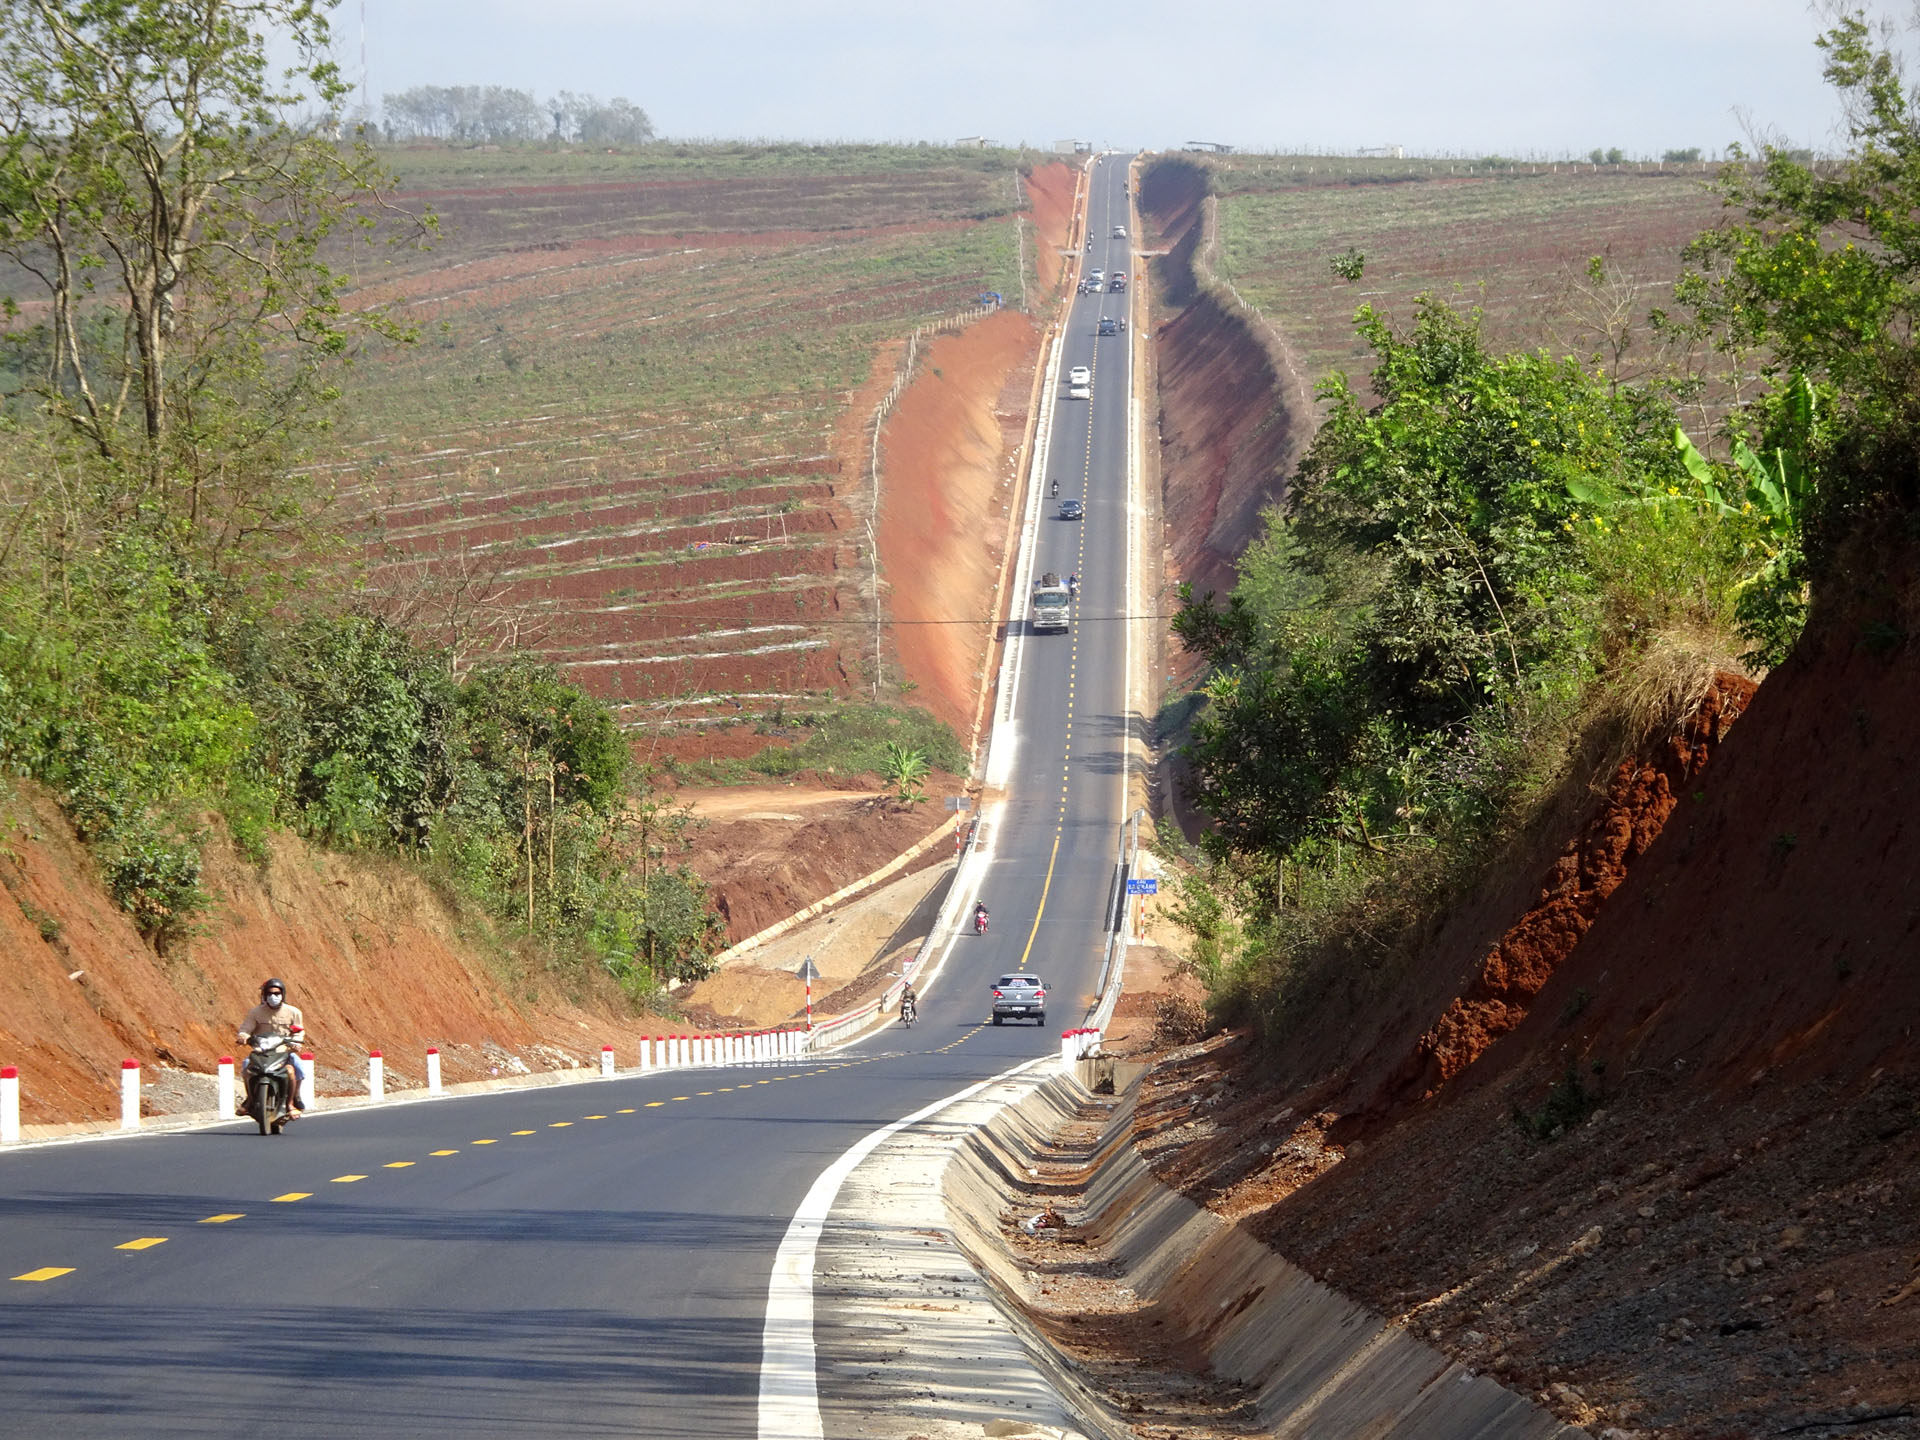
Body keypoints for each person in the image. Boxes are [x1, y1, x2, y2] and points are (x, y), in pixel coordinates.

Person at [236, 978, 307, 1115]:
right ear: (264, 995)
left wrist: (296, 1042)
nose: (273, 996)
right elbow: (246, 1029)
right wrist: (243, 1036)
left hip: (283, 1051)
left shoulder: (294, 1012)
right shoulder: (255, 1012)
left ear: (283, 994)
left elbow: (299, 1031)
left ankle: (293, 1100)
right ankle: (249, 1099)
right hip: (261, 1052)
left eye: (276, 993)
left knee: (296, 1067)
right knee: (246, 1067)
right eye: (269, 993)